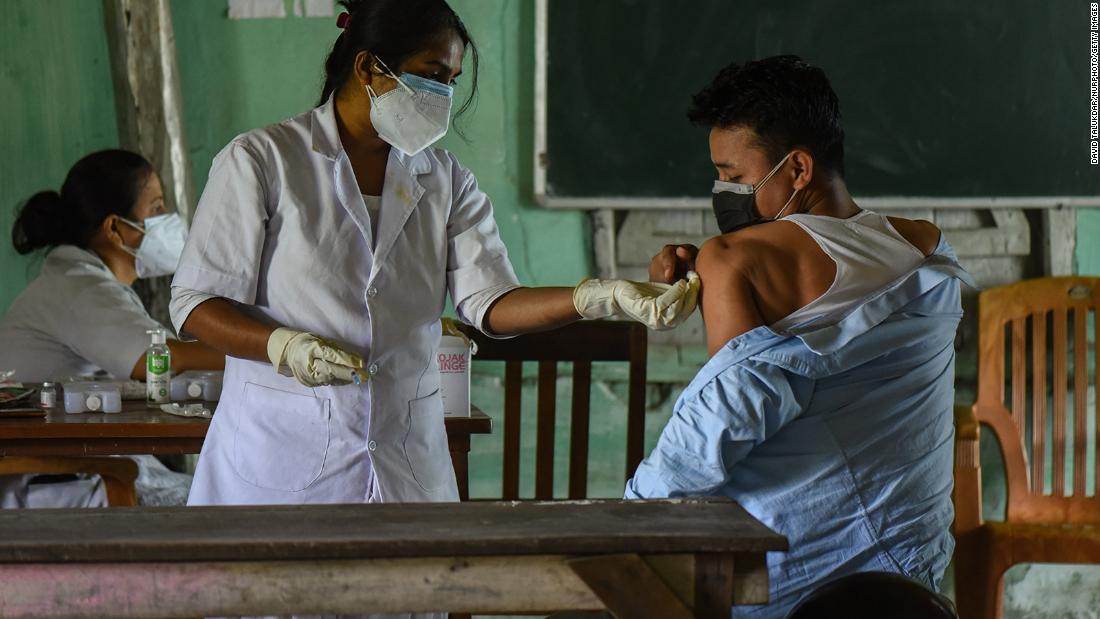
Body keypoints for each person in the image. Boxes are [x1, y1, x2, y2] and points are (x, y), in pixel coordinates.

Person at [170, 0, 698, 521]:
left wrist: (597, 296)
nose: (442, 94)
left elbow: (491, 303)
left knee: (407, 597)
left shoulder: (445, 179)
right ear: (368, 68)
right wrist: (281, 346)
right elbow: (195, 304)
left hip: (406, 464)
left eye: (451, 79)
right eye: (432, 74)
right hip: (281, 459)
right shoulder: (262, 161)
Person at [631, 55, 974, 617]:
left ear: (797, 169)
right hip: (908, 577)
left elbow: (725, 420)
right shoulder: (927, 247)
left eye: (735, 177)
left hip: (790, 577)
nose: (722, 191)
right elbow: (824, 364)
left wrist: (631, 514)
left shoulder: (733, 259)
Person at [0, 149, 224, 507]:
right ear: (116, 229)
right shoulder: (79, 288)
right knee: (228, 506)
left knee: (219, 498)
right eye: (156, 208)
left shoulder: (84, 281)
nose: (167, 219)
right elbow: (161, 358)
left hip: (85, 469)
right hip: (60, 482)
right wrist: (266, 348)